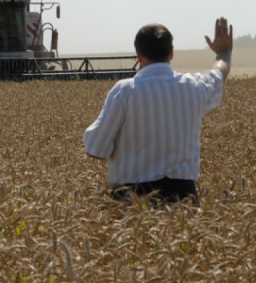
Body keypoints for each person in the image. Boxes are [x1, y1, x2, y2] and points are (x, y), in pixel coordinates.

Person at [83, 18, 233, 204]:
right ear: (171, 53)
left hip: (131, 200)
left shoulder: (124, 91)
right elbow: (219, 73)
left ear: (138, 56)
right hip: (183, 200)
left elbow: (95, 149)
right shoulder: (194, 86)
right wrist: (223, 52)